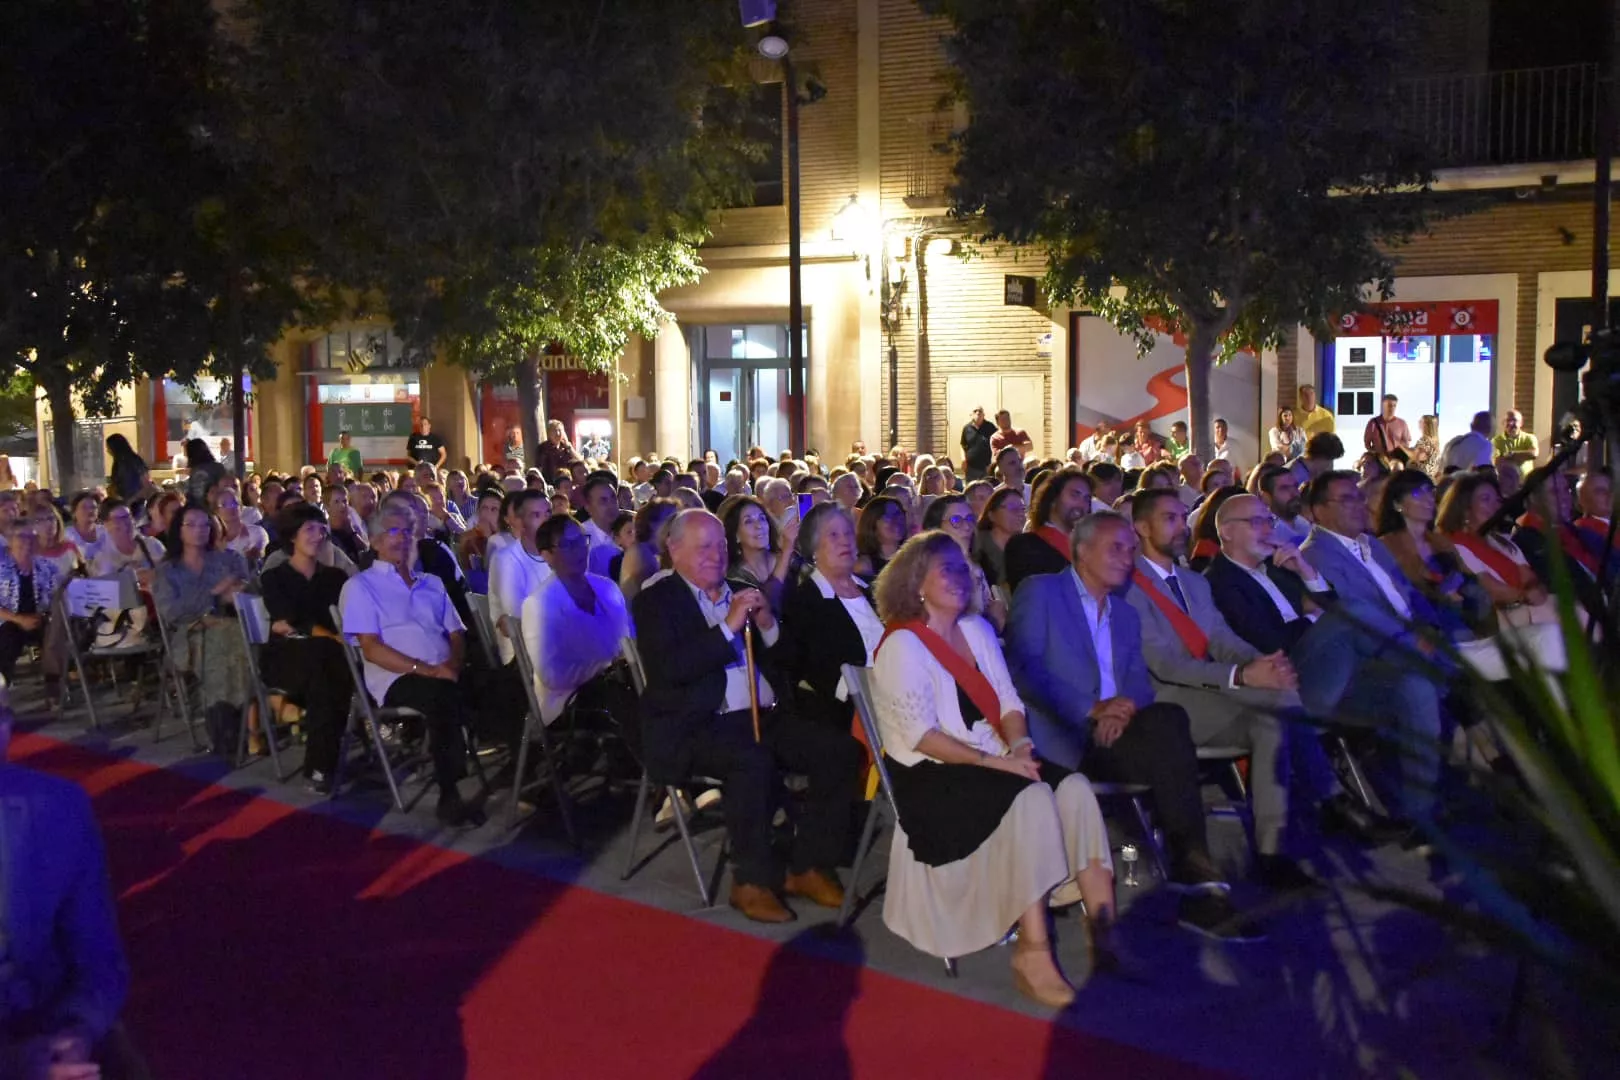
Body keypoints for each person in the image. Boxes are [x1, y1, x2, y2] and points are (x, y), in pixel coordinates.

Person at [870, 531, 1114, 1002]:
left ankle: (1105, 931)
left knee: (1075, 787)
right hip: (931, 776)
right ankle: (1033, 950)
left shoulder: (978, 631)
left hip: (994, 759)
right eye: (947, 569)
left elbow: (1007, 701)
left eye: (964, 569)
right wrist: (997, 765)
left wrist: (1020, 746)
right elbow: (923, 737)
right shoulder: (902, 645)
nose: (961, 578)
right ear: (917, 582)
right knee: (1032, 796)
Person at [1003, 511, 1261, 940]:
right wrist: (1092, 709)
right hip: (1061, 740)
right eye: (1116, 547)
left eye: (1131, 548)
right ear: (1082, 551)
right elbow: (1024, 669)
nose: (1128, 557)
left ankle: (1198, 881)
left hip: (1116, 737)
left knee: (1168, 719)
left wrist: (1122, 710)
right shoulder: (1042, 592)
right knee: (1169, 738)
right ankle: (1196, 881)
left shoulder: (1124, 615)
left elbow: (1140, 684)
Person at [630, 510, 863, 923]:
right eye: (703, 547)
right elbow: (671, 669)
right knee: (751, 760)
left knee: (839, 751)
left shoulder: (741, 588)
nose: (716, 555)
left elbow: (788, 658)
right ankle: (750, 880)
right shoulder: (657, 600)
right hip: (696, 723)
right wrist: (727, 628)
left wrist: (769, 624)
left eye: (721, 545)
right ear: (674, 548)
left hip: (762, 714)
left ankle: (807, 864)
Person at [1124, 489, 1310, 887]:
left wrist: (1262, 662)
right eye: (1169, 518)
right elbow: (1163, 664)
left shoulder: (1193, 581)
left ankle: (1272, 850)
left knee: (1273, 714)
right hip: (1166, 703)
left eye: (1182, 517)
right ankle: (1315, 801)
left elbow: (1222, 639)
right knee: (1274, 706)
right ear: (1141, 527)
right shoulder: (1127, 587)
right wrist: (1241, 677)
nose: (1181, 527)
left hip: (1209, 691)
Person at [0, 689, 134, 1080]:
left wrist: (77, 1031)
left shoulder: (58, 806)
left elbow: (99, 956)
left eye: (1, 715)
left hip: (46, 1023)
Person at [1299, 472, 1444, 827]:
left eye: (1359, 498)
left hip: (1405, 645)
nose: (1359, 505)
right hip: (1359, 666)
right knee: (1431, 677)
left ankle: (1420, 813)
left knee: (1419, 689)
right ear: (1318, 511)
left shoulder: (1373, 544)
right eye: (1346, 499)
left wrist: (1429, 629)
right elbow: (1357, 616)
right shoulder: (1315, 554)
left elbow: (1409, 597)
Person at [339, 505, 484, 826]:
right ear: (374, 541)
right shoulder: (361, 587)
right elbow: (373, 650)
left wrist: (452, 663)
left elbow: (457, 632)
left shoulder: (431, 582)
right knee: (443, 694)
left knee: (496, 682)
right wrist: (431, 670)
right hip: (398, 677)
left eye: (407, 531)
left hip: (444, 669)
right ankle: (450, 792)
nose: (402, 538)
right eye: (392, 531)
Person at [259, 503, 353, 793]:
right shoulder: (274, 577)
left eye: (321, 529)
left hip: (328, 660)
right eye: (308, 529)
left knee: (327, 670)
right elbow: (289, 621)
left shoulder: (335, 577)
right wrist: (330, 636)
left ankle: (320, 767)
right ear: (292, 536)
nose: (317, 535)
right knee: (326, 662)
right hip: (288, 657)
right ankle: (324, 762)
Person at [153, 503, 252, 749]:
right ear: (179, 530)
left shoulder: (224, 560)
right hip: (186, 636)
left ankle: (236, 720)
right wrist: (214, 594)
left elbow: (244, 583)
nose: (200, 530)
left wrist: (223, 594)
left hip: (228, 629)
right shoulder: (168, 570)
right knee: (217, 645)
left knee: (232, 638)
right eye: (192, 524)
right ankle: (226, 722)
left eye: (205, 524)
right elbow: (171, 612)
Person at [521, 514, 633, 730]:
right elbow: (553, 674)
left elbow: (626, 638)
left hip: (616, 684)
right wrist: (606, 666)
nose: (579, 549)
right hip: (570, 702)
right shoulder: (540, 603)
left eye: (582, 540)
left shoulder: (606, 587)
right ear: (547, 555)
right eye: (567, 544)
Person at [485, 489, 552, 667]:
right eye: (536, 515)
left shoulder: (559, 553)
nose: (546, 521)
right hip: (523, 659)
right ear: (521, 523)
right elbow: (518, 618)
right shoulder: (506, 559)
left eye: (548, 513)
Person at [1003, 468, 1093, 593]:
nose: (1082, 504)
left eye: (1087, 499)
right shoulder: (1024, 545)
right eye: (1075, 495)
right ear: (1053, 499)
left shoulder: (1088, 548)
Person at [923, 493, 1004, 629]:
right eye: (956, 520)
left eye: (970, 519)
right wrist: (994, 621)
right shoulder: (936, 571)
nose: (966, 526)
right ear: (936, 527)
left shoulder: (979, 563)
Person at [0, 521, 61, 686]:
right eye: (21, 536)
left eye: (31, 536)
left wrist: (44, 615)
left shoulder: (46, 566)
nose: (27, 541)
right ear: (10, 540)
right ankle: (3, 691)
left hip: (38, 618)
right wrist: (19, 619)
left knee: (55, 634)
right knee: (8, 638)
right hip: (7, 619)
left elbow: (56, 596)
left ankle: (54, 686)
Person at [720, 495, 793, 610]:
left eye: (762, 519)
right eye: (748, 521)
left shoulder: (792, 562)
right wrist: (787, 551)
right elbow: (766, 605)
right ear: (736, 535)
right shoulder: (733, 577)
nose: (759, 526)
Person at [618, 497, 678, 603]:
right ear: (652, 523)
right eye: (670, 519)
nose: (675, 525)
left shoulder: (653, 553)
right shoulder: (640, 552)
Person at [579, 474, 623, 578]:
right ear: (588, 507)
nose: (611, 505)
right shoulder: (581, 536)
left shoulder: (629, 527)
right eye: (603, 501)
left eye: (613, 498)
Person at [854, 495, 906, 580]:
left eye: (899, 514)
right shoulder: (864, 566)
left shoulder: (913, 557)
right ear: (872, 523)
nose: (896, 520)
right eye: (888, 516)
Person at [217, 488, 268, 565]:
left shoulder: (256, 532)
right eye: (224, 504)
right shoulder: (213, 540)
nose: (230, 507)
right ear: (217, 510)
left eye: (234, 503)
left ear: (240, 507)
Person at [104, 433, 151, 501]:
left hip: (137, 502)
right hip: (124, 500)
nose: (107, 451)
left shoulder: (134, 461)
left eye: (108, 447)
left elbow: (146, 485)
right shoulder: (118, 463)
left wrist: (132, 500)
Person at [1492, 409, 1539, 477]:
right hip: (1506, 483)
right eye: (1508, 420)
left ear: (1521, 423)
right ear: (1503, 423)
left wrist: (1510, 455)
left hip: (1526, 483)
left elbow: (1533, 454)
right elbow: (1497, 461)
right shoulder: (1496, 440)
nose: (1511, 423)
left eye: (1514, 420)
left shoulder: (1529, 438)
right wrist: (1522, 455)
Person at [184, 438, 227, 505]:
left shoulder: (194, 470)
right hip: (214, 507)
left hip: (197, 509)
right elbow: (224, 488)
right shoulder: (218, 467)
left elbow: (190, 494)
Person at [960, 407, 998, 481]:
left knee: (986, 490)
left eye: (980, 411)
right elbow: (962, 445)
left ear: (984, 415)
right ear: (971, 415)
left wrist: (993, 463)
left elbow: (998, 443)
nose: (978, 413)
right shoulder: (967, 428)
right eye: (975, 411)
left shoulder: (990, 427)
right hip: (971, 469)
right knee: (971, 491)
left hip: (987, 468)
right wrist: (963, 460)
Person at [1410, 415, 1441, 479]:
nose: (1418, 422)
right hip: (1429, 480)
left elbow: (1417, 456)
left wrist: (1401, 446)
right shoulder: (1435, 442)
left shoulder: (1425, 440)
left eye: (1421, 421)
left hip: (1419, 478)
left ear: (1426, 425)